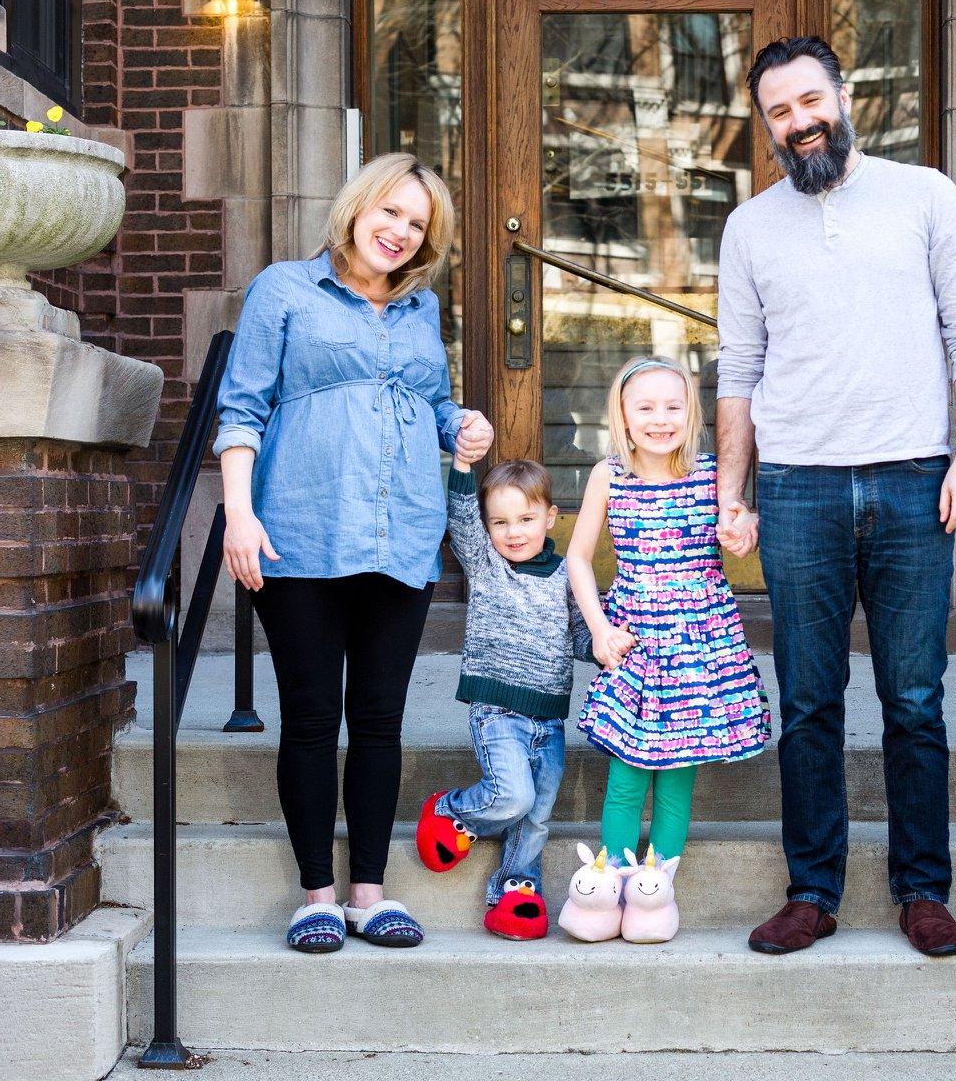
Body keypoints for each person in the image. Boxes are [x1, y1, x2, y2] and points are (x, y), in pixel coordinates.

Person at [716, 36, 956, 958]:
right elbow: (740, 372)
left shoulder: (926, 196)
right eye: (779, 113)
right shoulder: (750, 227)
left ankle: (923, 889)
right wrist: (734, 492)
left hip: (918, 477)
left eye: (809, 101)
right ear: (767, 128)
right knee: (806, 698)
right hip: (798, 489)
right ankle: (813, 891)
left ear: (845, 94)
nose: (799, 123)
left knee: (914, 695)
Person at [214, 152, 494, 953]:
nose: (401, 233)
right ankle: (315, 895)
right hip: (299, 532)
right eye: (392, 213)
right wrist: (239, 515)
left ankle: (370, 894)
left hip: (401, 533)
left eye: (419, 225)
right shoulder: (285, 290)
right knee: (310, 718)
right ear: (357, 207)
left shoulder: (419, 309)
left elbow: (430, 402)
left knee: (379, 721)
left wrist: (459, 425)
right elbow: (241, 408)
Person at [565, 356, 771, 941]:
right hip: (637, 644)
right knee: (628, 777)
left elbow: (737, 541)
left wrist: (742, 527)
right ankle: (607, 886)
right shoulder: (610, 475)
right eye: (645, 408)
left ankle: (656, 889)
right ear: (623, 418)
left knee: (678, 775)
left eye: (673, 407)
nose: (661, 419)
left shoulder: (712, 476)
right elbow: (578, 556)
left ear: (693, 415)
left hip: (701, 646)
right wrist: (599, 629)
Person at [411, 455, 596, 941]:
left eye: (526, 519)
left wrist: (609, 642)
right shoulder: (486, 563)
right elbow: (461, 518)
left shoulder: (566, 576)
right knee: (512, 795)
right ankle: (452, 811)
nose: (513, 532)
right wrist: (464, 464)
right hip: (497, 712)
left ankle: (516, 886)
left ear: (551, 517)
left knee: (536, 814)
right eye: (500, 521)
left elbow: (581, 636)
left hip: (549, 718)